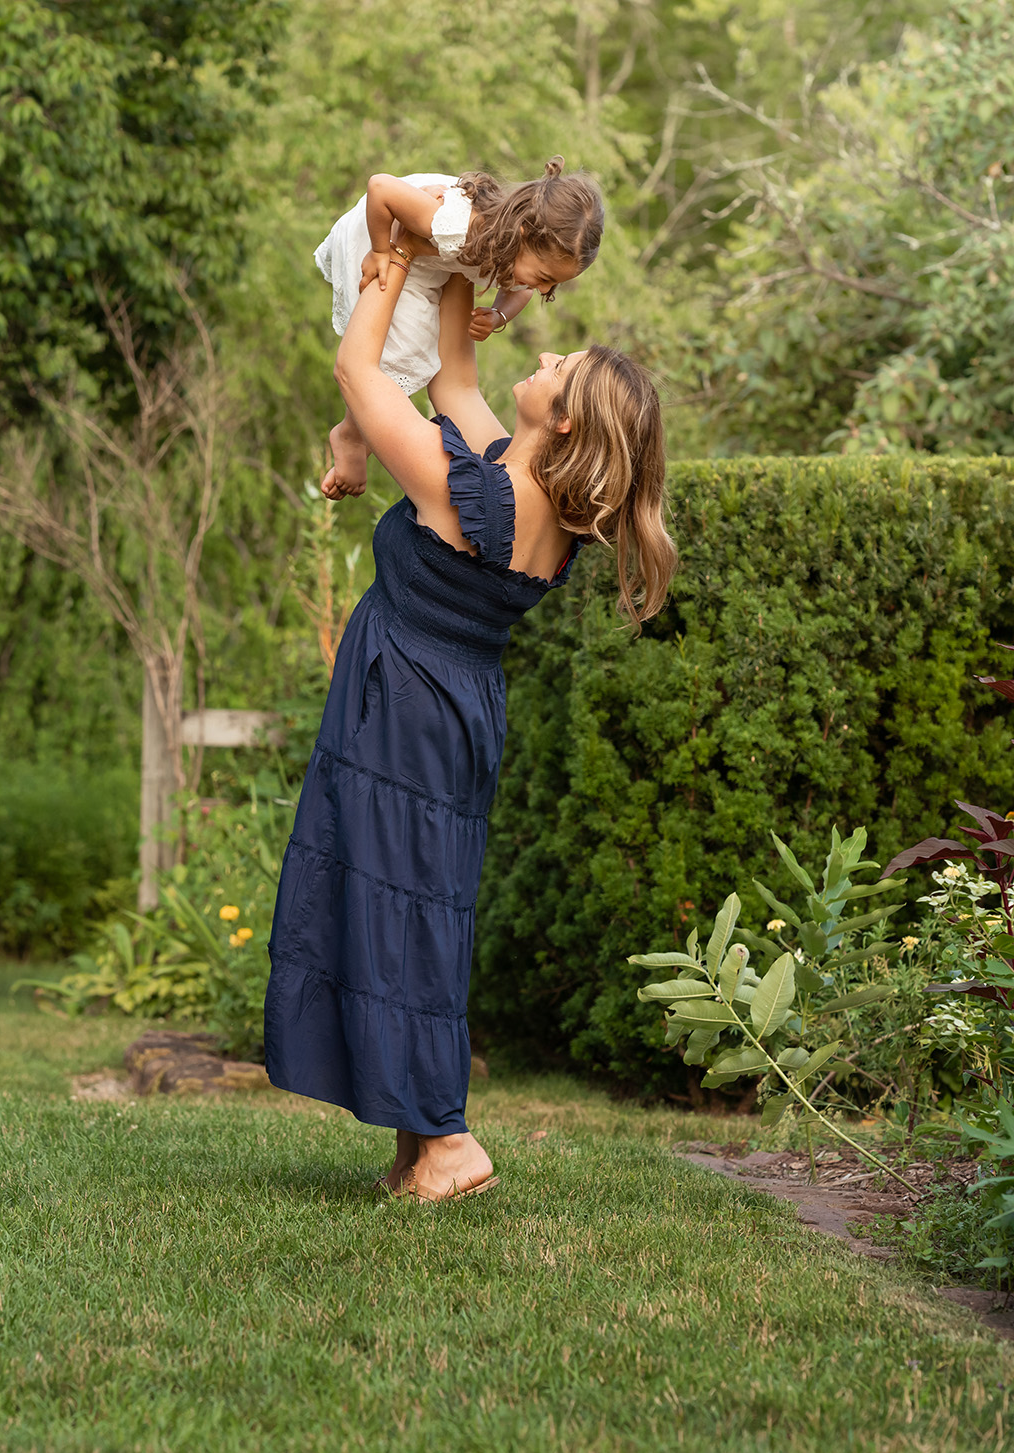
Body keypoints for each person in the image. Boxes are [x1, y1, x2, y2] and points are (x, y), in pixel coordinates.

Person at [264, 254, 677, 1202]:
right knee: (408, 907)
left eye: (560, 366)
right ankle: (423, 1142)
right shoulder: (523, 490)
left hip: (409, 706)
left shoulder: (473, 492)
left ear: (564, 418)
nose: (547, 352)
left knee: (399, 909)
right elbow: (452, 375)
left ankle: (449, 1141)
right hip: (445, 706)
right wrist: (465, 255)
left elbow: (361, 377)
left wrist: (394, 259)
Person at [313, 158, 605, 498]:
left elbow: (521, 288)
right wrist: (381, 251)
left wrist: (499, 314)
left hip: (428, 256)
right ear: (523, 234)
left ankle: (361, 431)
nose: (542, 289)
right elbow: (381, 187)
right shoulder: (460, 226)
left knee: (417, 351)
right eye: (544, 278)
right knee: (401, 350)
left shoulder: (516, 252)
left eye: (551, 284)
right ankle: (351, 434)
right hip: (385, 227)